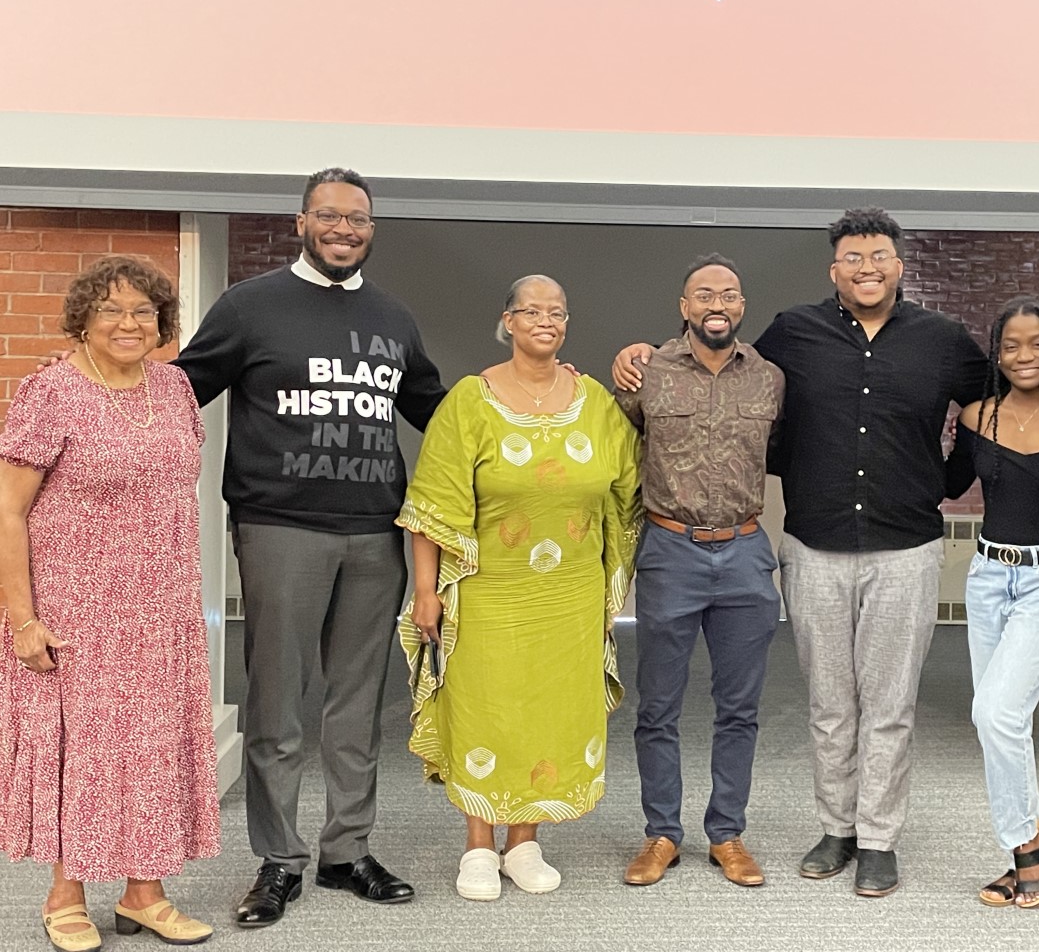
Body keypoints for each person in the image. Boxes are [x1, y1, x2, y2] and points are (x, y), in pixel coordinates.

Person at [614, 207, 987, 897]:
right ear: (834, 269)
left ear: (899, 265)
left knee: (890, 702)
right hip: (813, 544)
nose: (866, 268)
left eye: (878, 256)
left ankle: (877, 839)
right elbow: (731, 387)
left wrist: (949, 478)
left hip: (905, 547)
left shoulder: (942, 339)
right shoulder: (793, 333)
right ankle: (836, 828)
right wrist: (638, 354)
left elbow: (986, 406)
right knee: (829, 701)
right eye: (852, 258)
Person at [177, 168, 446, 925]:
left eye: (357, 219)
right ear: (301, 223)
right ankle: (278, 859)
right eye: (328, 216)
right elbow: (180, 392)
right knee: (277, 701)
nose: (343, 229)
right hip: (279, 530)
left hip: (374, 535)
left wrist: (530, 407)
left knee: (357, 704)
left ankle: (346, 851)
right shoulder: (249, 306)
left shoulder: (394, 318)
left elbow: (441, 412)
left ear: (371, 229)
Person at [0, 257, 219, 951]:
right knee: (87, 754)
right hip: (77, 613)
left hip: (162, 612)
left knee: (153, 750)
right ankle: (65, 896)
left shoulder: (176, 387)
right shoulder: (53, 392)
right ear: (84, 320)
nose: (129, 324)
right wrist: (23, 619)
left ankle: (143, 894)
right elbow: (7, 511)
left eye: (144, 313)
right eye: (112, 311)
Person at [399, 275, 642, 902]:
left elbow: (629, 493)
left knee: (549, 711)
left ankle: (525, 842)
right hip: (488, 594)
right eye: (531, 310)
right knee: (488, 707)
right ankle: (480, 845)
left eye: (557, 311)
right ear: (507, 320)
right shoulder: (469, 402)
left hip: (571, 597)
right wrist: (427, 591)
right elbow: (433, 507)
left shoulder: (595, 402)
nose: (545, 320)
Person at [613, 254, 784, 888]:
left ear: (742, 307)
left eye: (731, 294)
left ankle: (727, 834)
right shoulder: (645, 374)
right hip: (670, 551)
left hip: (743, 551)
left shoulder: (769, 378)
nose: (718, 303)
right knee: (658, 705)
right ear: (684, 307)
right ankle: (661, 833)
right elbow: (607, 448)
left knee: (739, 707)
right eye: (704, 294)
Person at [944, 295, 1039, 910]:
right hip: (985, 577)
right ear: (996, 352)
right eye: (1010, 346)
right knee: (1001, 722)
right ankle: (1022, 846)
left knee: (996, 714)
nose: (1024, 356)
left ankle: (1027, 841)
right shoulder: (979, 415)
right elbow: (946, 483)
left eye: (1037, 343)